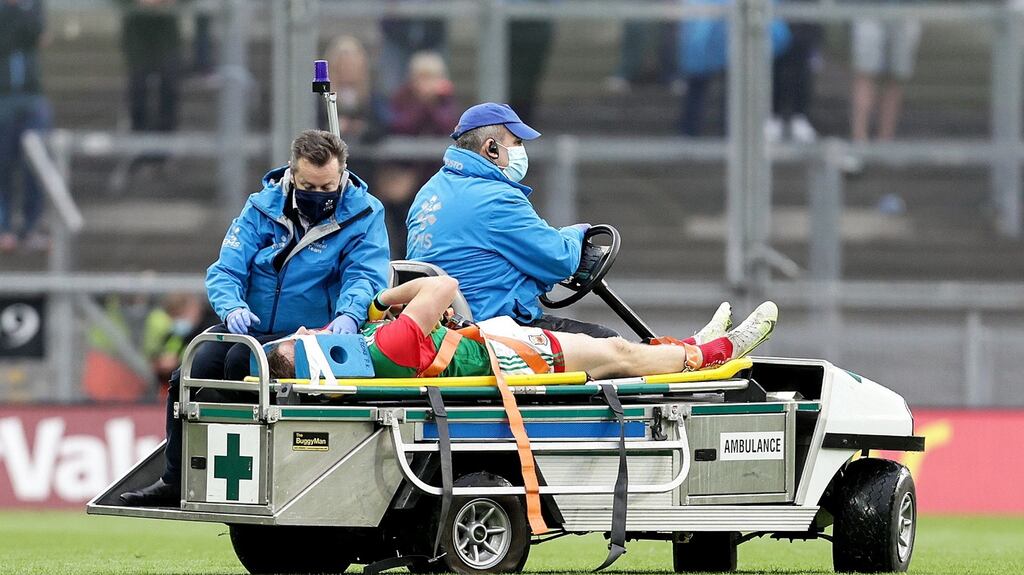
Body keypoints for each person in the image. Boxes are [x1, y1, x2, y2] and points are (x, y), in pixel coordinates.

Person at [119, 129, 390, 506]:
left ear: (342, 175)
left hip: (314, 333)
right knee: (191, 372)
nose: (319, 195)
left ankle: (268, 477)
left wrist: (348, 314)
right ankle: (175, 477)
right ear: (293, 176)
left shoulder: (363, 213)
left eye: (328, 186)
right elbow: (226, 270)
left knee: (238, 363)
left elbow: (365, 274)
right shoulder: (262, 208)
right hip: (256, 326)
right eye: (309, 185)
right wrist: (231, 306)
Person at [265, 276, 778, 381]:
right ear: (310, 354)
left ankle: (692, 343)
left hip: (492, 346)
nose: (309, 327)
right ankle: (713, 354)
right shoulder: (386, 344)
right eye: (301, 336)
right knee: (620, 354)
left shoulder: (367, 352)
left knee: (617, 354)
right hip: (507, 355)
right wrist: (382, 300)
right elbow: (443, 286)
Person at [406, 102, 616, 339]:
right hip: (491, 329)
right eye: (517, 143)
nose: (521, 150)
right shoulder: (497, 198)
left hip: (442, 328)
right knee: (607, 342)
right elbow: (562, 259)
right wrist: (576, 233)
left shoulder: (430, 190)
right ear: (491, 148)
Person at [378, 51, 458, 258]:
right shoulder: (401, 98)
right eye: (422, 77)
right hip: (404, 177)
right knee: (402, 230)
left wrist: (434, 101)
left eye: (433, 77)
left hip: (434, 178)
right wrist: (424, 103)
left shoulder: (446, 101)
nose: (427, 83)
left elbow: (448, 127)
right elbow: (402, 125)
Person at [0, 0, 51, 253]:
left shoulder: (34, 5)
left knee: (37, 165)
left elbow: (39, 35)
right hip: (3, 99)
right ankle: (3, 227)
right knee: (2, 166)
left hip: (32, 97)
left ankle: (31, 226)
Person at [850, 11, 922, 145]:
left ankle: (885, 141)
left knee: (897, 77)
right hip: (868, 9)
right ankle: (859, 141)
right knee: (865, 73)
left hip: (907, 11)